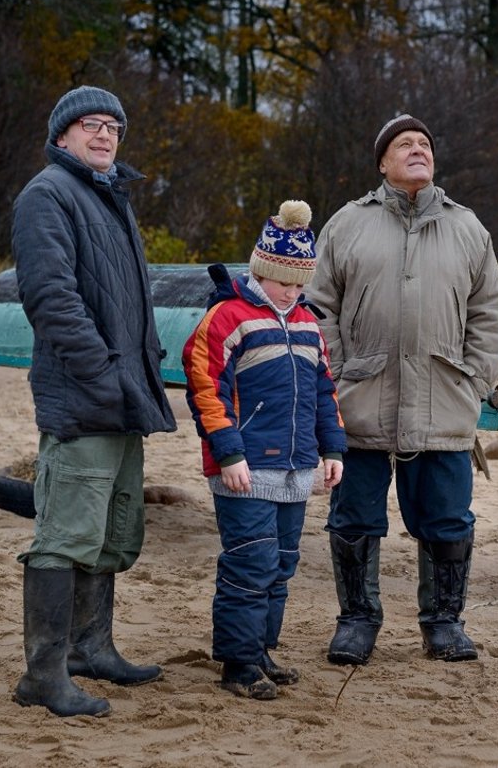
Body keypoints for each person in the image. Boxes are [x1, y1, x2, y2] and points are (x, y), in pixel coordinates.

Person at [307, 113, 498, 665]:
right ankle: (357, 621)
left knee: (447, 520)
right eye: (405, 144)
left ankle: (444, 623)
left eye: (425, 143)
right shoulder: (347, 224)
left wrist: (473, 381)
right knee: (353, 520)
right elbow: (317, 306)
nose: (418, 149)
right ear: (382, 162)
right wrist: (336, 374)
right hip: (359, 399)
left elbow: (489, 314)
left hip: (444, 400)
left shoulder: (468, 228)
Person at [10, 85, 177, 718]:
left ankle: (90, 648)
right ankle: (43, 675)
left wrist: (137, 375)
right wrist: (103, 375)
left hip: (123, 398)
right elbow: (51, 299)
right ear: (62, 137)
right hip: (85, 398)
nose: (103, 135)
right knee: (66, 534)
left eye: (112, 126)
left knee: (111, 531)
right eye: (89, 125)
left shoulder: (110, 197)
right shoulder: (47, 195)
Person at [182, 200, 346, 700]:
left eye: (300, 284)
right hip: (246, 470)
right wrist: (228, 454)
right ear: (261, 272)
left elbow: (324, 392)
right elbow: (205, 386)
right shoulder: (228, 316)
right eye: (283, 283)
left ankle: (260, 650)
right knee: (250, 563)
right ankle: (237, 662)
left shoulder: (305, 323)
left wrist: (332, 448)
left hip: (296, 470)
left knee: (281, 564)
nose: (292, 293)